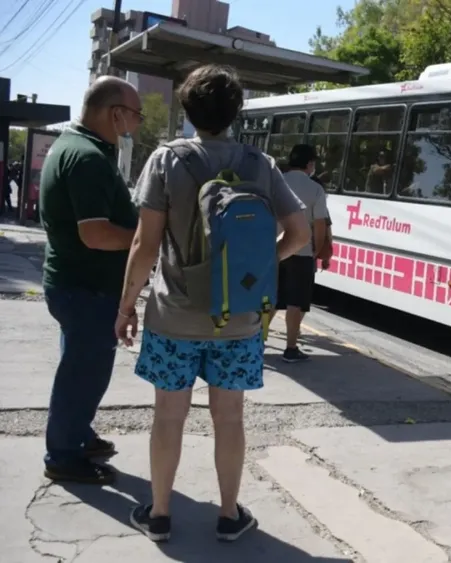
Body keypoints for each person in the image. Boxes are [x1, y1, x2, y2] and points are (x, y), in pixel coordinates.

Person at [115, 64, 310, 543]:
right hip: (238, 319)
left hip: (173, 316)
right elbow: (300, 233)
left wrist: (126, 306)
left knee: (168, 417)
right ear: (236, 110)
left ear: (187, 109)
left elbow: (144, 244)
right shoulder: (260, 164)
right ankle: (228, 515)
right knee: (230, 418)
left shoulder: (164, 160)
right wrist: (261, 267)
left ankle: (159, 514)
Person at [37, 76, 142, 485]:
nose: (136, 122)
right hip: (86, 290)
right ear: (116, 114)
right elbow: (95, 233)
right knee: (84, 374)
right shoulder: (88, 158)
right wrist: (143, 239)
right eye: (135, 114)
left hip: (77, 285)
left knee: (79, 367)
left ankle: (76, 434)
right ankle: (63, 455)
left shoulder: (76, 146)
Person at [278, 144, 331, 362]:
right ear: (310, 164)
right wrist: (316, 251)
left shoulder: (276, 182)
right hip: (301, 252)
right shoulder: (315, 189)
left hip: (273, 250)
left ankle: (258, 342)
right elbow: (320, 224)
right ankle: (291, 349)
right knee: (295, 302)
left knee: (270, 300)